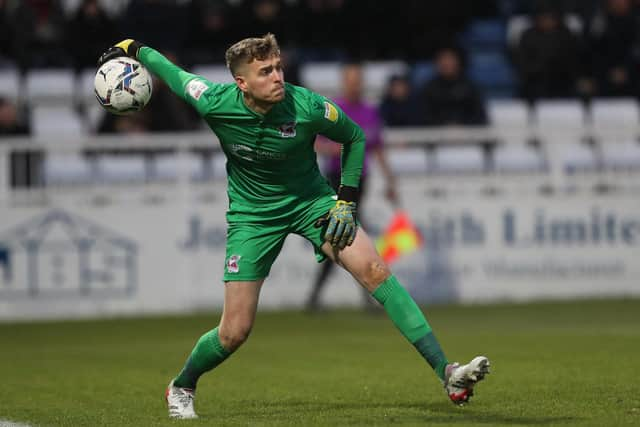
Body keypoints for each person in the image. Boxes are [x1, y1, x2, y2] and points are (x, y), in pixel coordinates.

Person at [97, 34, 490, 420]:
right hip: (253, 216)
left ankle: (448, 374)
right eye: (265, 71)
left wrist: (345, 201)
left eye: (278, 67)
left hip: (312, 203)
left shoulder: (306, 105)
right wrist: (134, 48)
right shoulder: (214, 101)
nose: (277, 77)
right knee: (234, 331)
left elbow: (354, 136)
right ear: (242, 83)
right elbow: (172, 72)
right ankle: (182, 385)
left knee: (376, 270)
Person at [306, 62, 398, 312]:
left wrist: (390, 180)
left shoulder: (369, 112)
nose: (354, 84)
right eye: (350, 79)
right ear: (343, 82)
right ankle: (369, 296)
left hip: (360, 181)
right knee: (350, 235)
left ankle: (316, 297)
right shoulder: (333, 110)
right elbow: (315, 143)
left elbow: (378, 148)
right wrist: (332, 148)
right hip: (337, 178)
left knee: (343, 237)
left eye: (358, 79)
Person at [420, 47, 488, 126]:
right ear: (437, 63)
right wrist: (444, 126)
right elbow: (424, 116)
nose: (446, 63)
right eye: (443, 60)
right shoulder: (429, 88)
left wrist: (461, 126)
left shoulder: (470, 87)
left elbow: (479, 116)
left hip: (468, 134)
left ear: (457, 62)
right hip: (436, 134)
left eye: (450, 59)